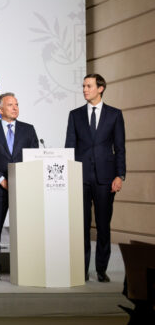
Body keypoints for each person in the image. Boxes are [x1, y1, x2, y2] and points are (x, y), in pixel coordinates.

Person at [65, 73, 125, 283]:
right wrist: (69, 174)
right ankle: (81, 270)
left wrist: (120, 175)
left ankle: (101, 269)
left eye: (89, 86)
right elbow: (69, 148)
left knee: (103, 225)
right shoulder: (75, 115)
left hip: (106, 178)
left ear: (101, 88)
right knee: (81, 226)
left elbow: (120, 148)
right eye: (83, 86)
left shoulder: (115, 115)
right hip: (80, 178)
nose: (84, 89)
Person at [0, 92, 39, 281]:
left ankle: (27, 266)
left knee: (25, 229)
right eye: (11, 105)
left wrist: (23, 178)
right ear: (0, 109)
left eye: (17, 104)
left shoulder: (28, 130)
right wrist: (1, 179)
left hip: (23, 187)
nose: (15, 108)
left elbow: (34, 156)